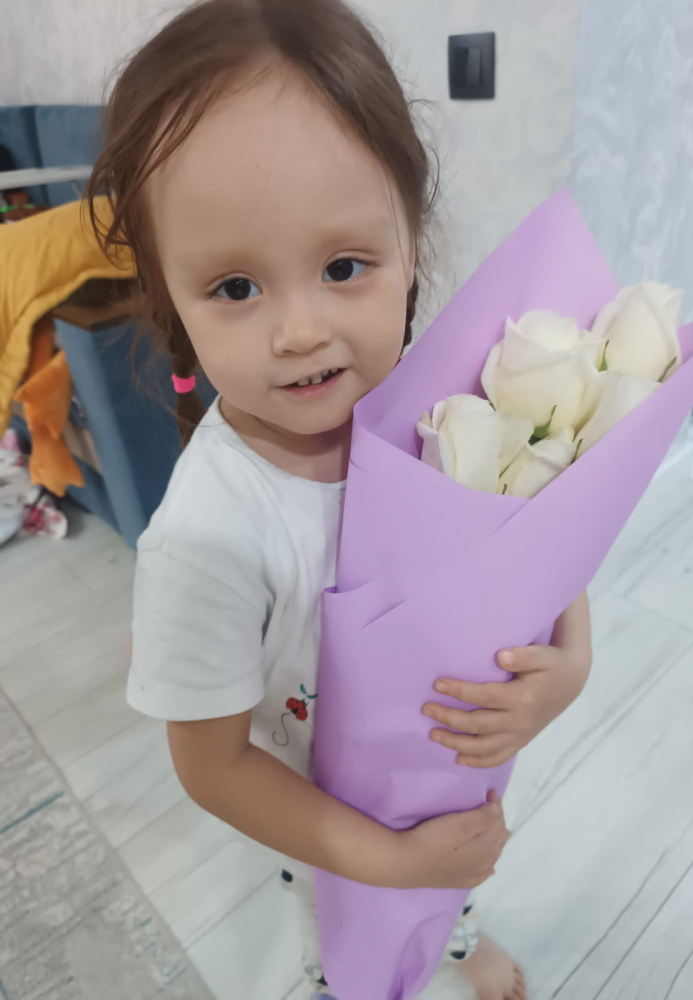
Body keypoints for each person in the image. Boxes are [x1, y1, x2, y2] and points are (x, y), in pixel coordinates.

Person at [87, 2, 593, 997]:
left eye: (344, 266)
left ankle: (456, 939)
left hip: (449, 766)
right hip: (329, 831)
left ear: (411, 240)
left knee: (456, 871)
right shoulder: (209, 537)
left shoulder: (448, 403)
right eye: (236, 287)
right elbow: (213, 766)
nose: (299, 332)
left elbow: (535, 540)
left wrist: (569, 668)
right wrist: (391, 861)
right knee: (351, 950)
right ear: (169, 297)